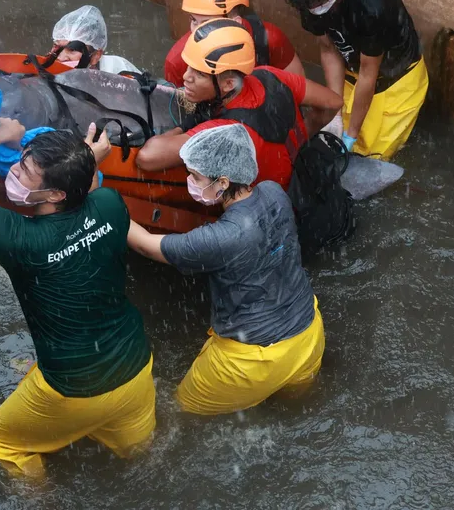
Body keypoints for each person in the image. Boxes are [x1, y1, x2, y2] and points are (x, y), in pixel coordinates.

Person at [0, 119, 155, 478]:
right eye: (21, 159)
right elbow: (86, 186)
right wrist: (83, 159)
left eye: (25, 170)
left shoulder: (22, 242)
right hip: (136, 368)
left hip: (73, 388)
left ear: (55, 194)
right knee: (139, 460)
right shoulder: (110, 204)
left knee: (4, 443)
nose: (14, 169)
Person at [128, 124, 325, 415]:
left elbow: (146, 245)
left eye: (194, 176)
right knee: (297, 411)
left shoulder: (223, 238)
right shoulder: (273, 192)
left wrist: (105, 205)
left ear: (222, 182)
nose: (188, 181)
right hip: (308, 334)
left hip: (250, 363)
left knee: (180, 412)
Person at [136, 18, 344, 190]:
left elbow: (147, 157)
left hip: (269, 207)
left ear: (227, 83)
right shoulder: (269, 74)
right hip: (294, 178)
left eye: (198, 74)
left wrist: (187, 126)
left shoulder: (225, 131)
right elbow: (333, 102)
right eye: (189, 67)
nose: (184, 77)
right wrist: (303, 134)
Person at [279, 0, 429, 159]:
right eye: (310, 8)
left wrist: (351, 136)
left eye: (320, 4)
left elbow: (369, 73)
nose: (316, 10)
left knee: (371, 155)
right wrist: (335, 112)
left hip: (396, 80)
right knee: (325, 141)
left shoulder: (372, 4)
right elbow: (328, 49)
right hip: (354, 70)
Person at [163, 0, 305, 85]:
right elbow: (178, 114)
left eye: (207, 24)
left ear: (236, 23)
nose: (197, 31)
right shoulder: (178, 62)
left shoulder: (269, 40)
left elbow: (299, 90)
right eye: (193, 20)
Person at [49, 5, 141, 75]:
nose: (60, 58)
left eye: (72, 50)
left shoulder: (119, 71)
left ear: (96, 56)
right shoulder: (45, 67)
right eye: (57, 46)